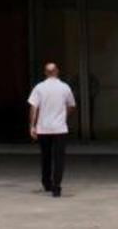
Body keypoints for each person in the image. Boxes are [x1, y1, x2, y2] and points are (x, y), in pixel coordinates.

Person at [27, 62, 76, 197]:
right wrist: (64, 116)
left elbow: (33, 107)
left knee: (46, 156)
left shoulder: (39, 88)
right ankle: (57, 187)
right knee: (59, 158)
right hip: (60, 128)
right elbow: (71, 105)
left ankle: (46, 182)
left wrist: (32, 126)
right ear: (57, 71)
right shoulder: (65, 87)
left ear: (45, 73)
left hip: (43, 128)